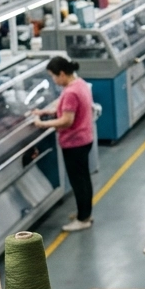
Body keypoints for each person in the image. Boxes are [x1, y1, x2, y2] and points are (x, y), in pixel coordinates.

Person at [32, 56, 96, 232]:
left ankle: (83, 219)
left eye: (53, 76)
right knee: (84, 179)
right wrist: (45, 111)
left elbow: (67, 120)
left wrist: (42, 123)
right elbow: (66, 109)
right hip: (85, 138)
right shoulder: (79, 83)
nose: (54, 80)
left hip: (74, 143)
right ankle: (86, 213)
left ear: (61, 73)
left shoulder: (70, 92)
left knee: (78, 181)